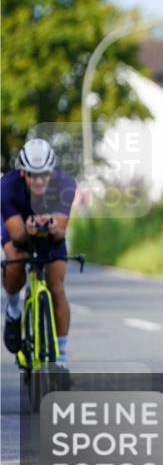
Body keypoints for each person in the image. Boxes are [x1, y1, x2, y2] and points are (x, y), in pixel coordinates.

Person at [2, 138, 78, 373]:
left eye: (44, 174)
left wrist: (53, 227)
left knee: (56, 287)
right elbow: (18, 236)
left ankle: (61, 354)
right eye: (33, 175)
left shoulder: (65, 184)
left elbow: (61, 230)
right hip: (18, 228)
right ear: (23, 172)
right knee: (15, 264)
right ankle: (14, 308)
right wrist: (29, 229)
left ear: (52, 172)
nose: (39, 180)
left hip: (50, 234)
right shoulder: (7, 187)